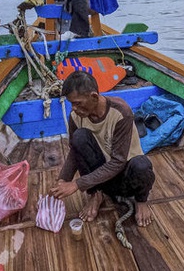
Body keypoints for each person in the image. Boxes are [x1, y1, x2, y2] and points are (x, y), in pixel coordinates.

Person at [50, 70, 155, 228]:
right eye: (71, 103)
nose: (74, 108)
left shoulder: (121, 113)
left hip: (125, 176)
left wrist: (77, 184)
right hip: (100, 178)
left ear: (93, 96)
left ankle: (141, 201)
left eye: (78, 103)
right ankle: (95, 194)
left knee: (142, 165)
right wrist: (62, 181)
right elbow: (74, 151)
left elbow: (118, 162)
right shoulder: (76, 117)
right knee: (79, 137)